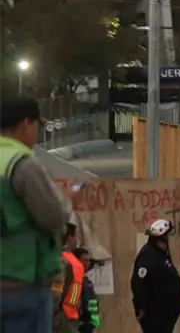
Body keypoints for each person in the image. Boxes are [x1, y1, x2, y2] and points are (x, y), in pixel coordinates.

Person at [0, 94, 74, 333]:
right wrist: (67, 201)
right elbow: (52, 215)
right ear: (25, 124)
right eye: (36, 126)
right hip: (21, 282)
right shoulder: (22, 163)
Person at [131, 219, 180, 333]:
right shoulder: (148, 256)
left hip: (165, 311)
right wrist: (141, 306)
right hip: (156, 313)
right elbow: (139, 282)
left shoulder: (160, 255)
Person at [52, 225, 84, 333]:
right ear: (69, 237)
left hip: (65, 316)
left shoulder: (63, 258)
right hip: (64, 317)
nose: (77, 239)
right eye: (76, 235)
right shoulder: (66, 260)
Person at [71, 249, 100, 333]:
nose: (87, 264)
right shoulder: (71, 280)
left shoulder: (87, 281)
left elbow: (93, 302)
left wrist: (94, 322)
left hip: (87, 325)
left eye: (88, 261)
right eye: (84, 260)